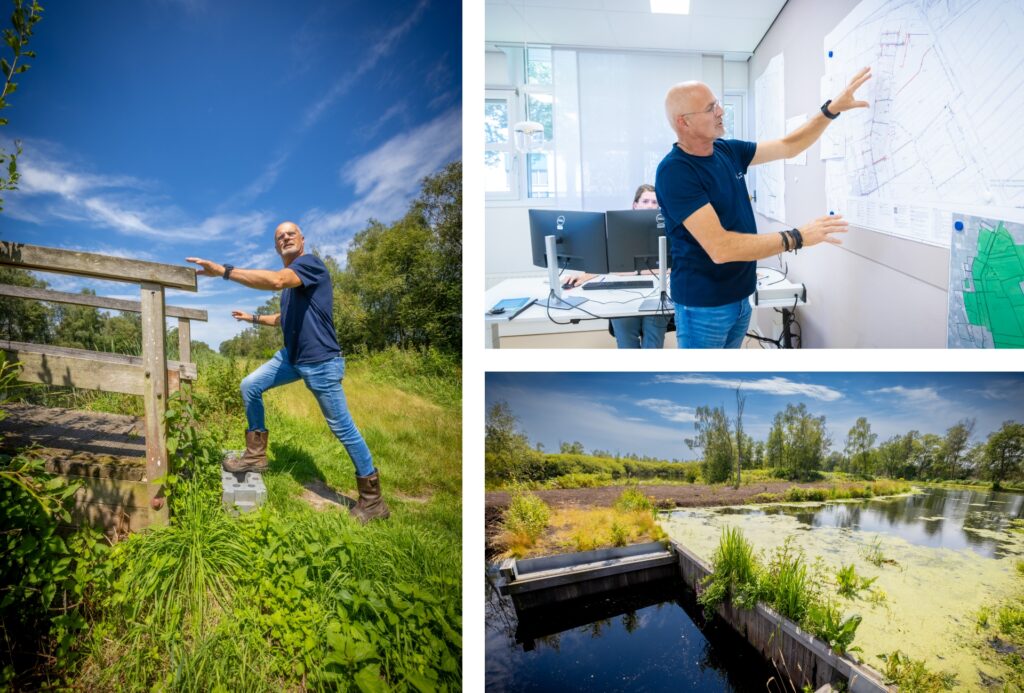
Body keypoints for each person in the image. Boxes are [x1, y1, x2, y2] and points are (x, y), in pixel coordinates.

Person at [185, 222, 389, 523]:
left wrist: (224, 271)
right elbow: (283, 318)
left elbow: (278, 280)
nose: (285, 237)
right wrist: (252, 318)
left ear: (302, 239)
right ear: (276, 246)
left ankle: (373, 501)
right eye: (280, 236)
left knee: (342, 428)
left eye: (291, 233)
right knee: (249, 386)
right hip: (292, 358)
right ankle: (255, 455)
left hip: (320, 361)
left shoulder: (309, 265)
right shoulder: (293, 288)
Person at [654, 67, 871, 348]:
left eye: (717, 103)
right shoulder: (676, 171)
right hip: (705, 307)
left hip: (741, 297)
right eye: (710, 108)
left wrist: (830, 110)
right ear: (683, 122)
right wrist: (797, 237)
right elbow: (721, 248)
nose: (720, 111)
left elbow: (789, 146)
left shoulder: (727, 151)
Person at [564, 184, 672, 348]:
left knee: (654, 342)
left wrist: (632, 270)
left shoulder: (668, 231)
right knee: (626, 343)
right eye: (645, 201)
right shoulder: (619, 229)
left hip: (657, 294)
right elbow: (607, 262)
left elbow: (671, 267)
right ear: (635, 205)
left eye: (654, 202)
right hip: (622, 296)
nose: (650, 206)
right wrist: (583, 276)